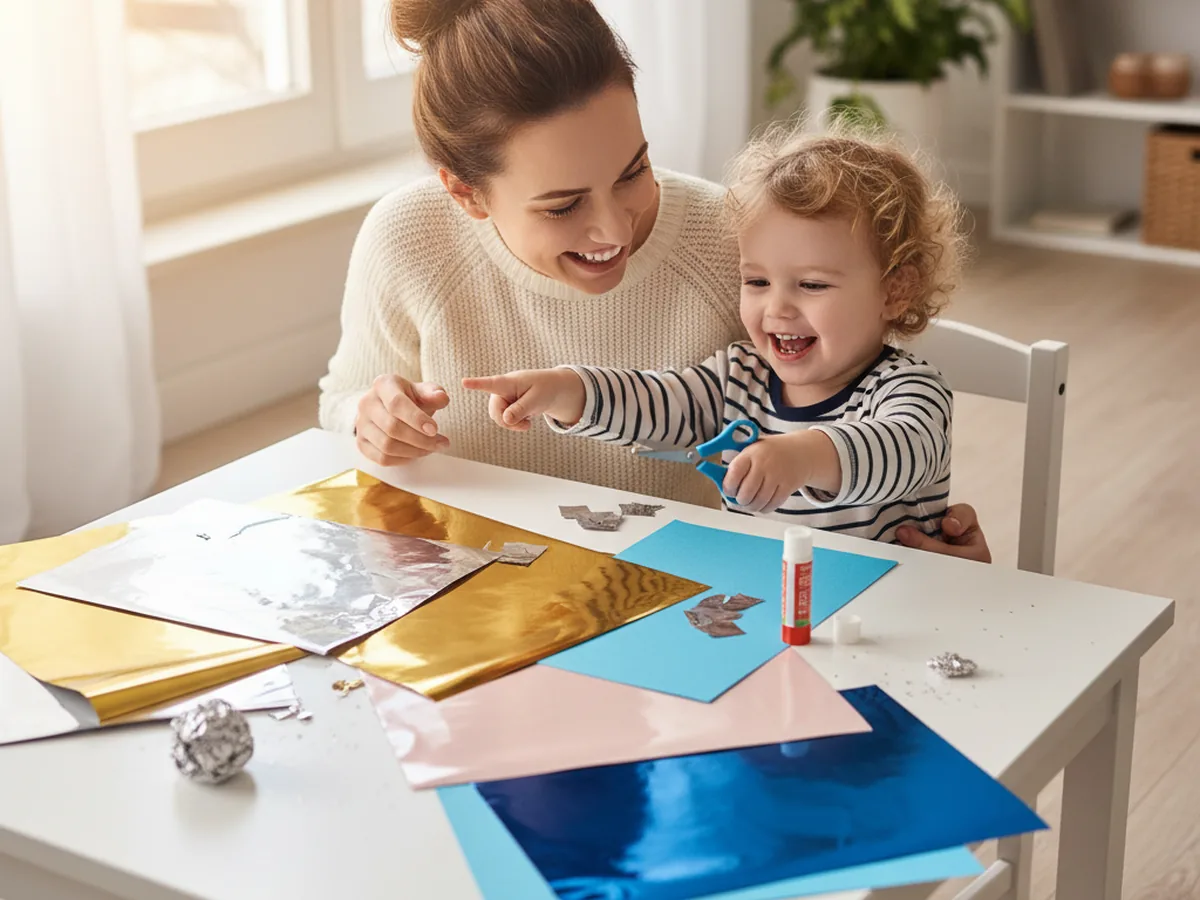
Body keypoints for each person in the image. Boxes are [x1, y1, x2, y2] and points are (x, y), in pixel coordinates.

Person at [317, 0, 991, 560]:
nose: (613, 230)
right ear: (466, 194)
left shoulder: (743, 243)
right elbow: (653, 402)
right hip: (484, 593)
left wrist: (950, 555)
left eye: (633, 170)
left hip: (697, 600)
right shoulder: (407, 240)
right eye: (564, 205)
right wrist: (367, 419)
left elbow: (871, 387)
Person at [464, 126, 962, 542]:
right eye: (757, 281)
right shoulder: (737, 376)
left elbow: (902, 449)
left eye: (811, 285)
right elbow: (656, 403)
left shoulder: (909, 390)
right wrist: (566, 390)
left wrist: (806, 455)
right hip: (776, 609)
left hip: (896, 618)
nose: (777, 307)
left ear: (896, 291)